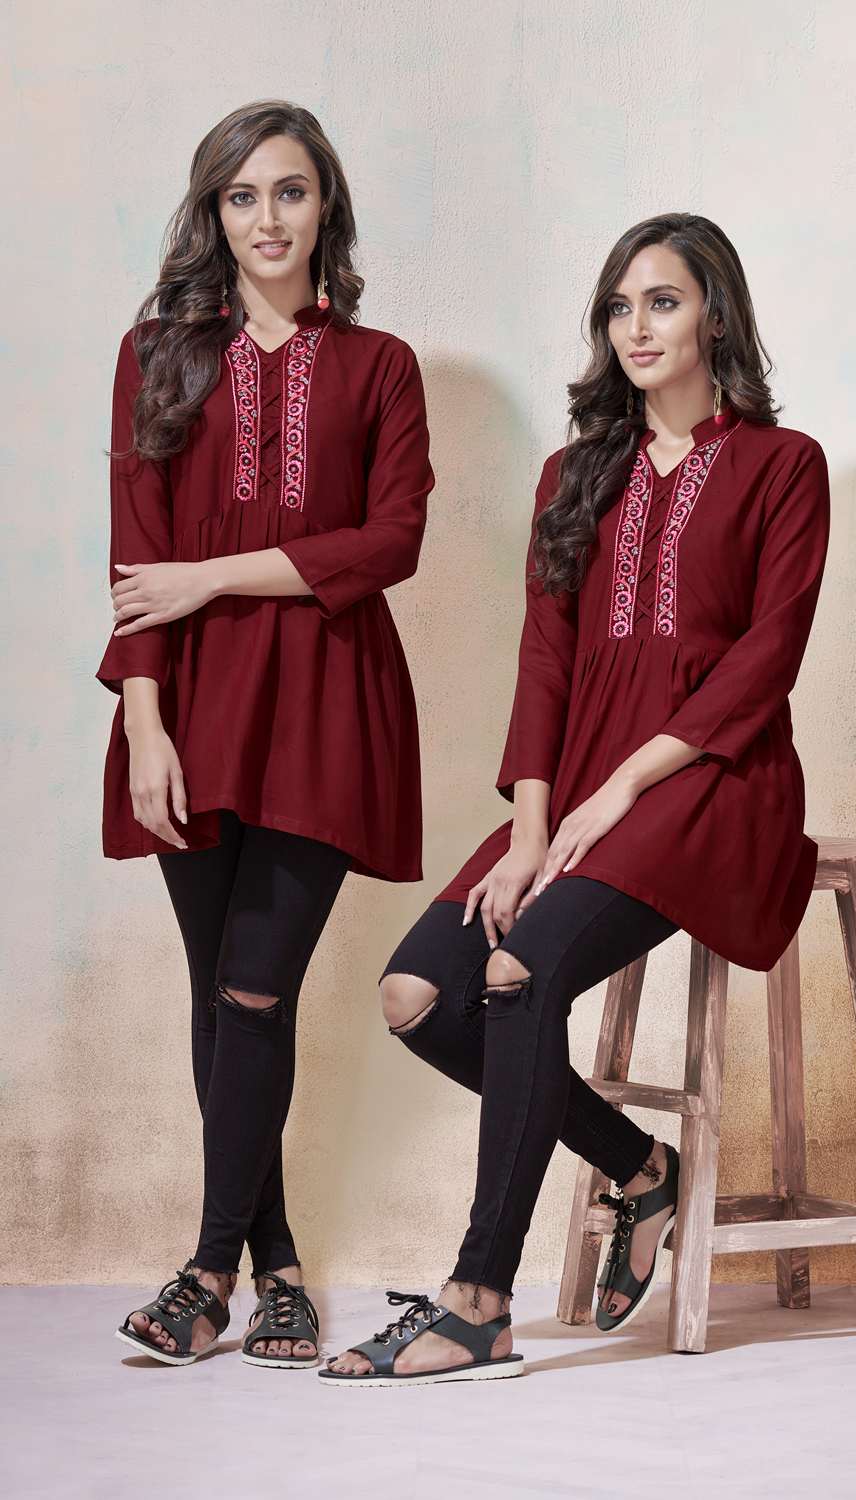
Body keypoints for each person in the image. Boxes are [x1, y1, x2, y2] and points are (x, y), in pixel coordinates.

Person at [321, 212, 830, 1387]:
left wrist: (621, 791)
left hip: (712, 782)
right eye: (618, 306)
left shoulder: (781, 464)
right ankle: (639, 1169)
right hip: (580, 792)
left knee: (515, 972)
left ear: (715, 315)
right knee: (415, 995)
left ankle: (477, 1303)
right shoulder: (575, 475)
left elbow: (766, 657)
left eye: (662, 301)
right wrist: (533, 826)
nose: (635, 326)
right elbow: (545, 661)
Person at [98, 101, 434, 1368]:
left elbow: (391, 541)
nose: (267, 219)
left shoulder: (381, 366)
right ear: (214, 213)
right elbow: (135, 554)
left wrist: (212, 576)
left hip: (330, 703)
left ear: (324, 204)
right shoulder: (155, 355)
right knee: (230, 998)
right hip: (189, 704)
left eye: (289, 192)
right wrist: (144, 723)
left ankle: (204, 1275)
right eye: (241, 197)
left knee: (252, 985)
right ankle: (278, 1271)